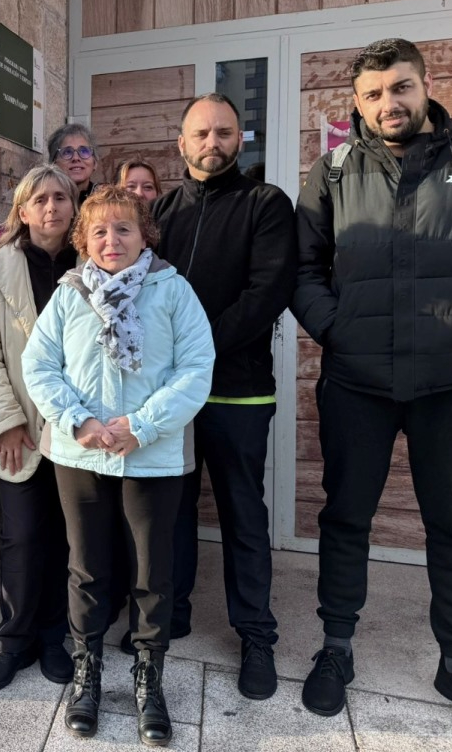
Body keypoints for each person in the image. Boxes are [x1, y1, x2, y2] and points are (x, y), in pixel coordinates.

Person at [291, 38, 452, 744]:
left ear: (425, 83)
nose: (388, 104)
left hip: (450, 382)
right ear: (356, 101)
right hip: (356, 381)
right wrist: (333, 327)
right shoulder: (333, 169)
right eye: (373, 94)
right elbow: (302, 266)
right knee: (345, 518)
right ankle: (335, 649)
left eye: (399, 87)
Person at [23, 186, 214, 745]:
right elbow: (41, 365)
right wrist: (78, 420)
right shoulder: (69, 294)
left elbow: (196, 368)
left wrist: (142, 426)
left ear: (144, 236)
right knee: (86, 568)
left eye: (124, 228)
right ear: (84, 240)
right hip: (80, 453)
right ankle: (87, 672)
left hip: (152, 455)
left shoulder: (173, 290)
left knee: (152, 573)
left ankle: (149, 679)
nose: (112, 240)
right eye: (99, 231)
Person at [151, 92, 298, 701]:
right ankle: (173, 613)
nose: (213, 143)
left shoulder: (266, 204)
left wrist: (195, 352)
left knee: (243, 515)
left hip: (238, 393)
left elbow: (267, 293)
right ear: (182, 143)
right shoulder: (162, 210)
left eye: (225, 133)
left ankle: (256, 636)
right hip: (170, 398)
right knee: (172, 511)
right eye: (202, 133)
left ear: (241, 139)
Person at [0, 164, 77, 692]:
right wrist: (6, 421)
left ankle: (55, 637)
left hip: (76, 429)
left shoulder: (92, 263)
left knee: (66, 537)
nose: (51, 207)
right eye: (40, 199)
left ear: (74, 206)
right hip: (22, 431)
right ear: (23, 211)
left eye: (61, 197)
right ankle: (14, 640)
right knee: (22, 536)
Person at [48, 123, 100, 205]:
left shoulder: (105, 201)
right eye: (67, 152)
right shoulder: (47, 201)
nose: (76, 158)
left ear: (95, 162)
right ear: (54, 163)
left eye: (84, 151)